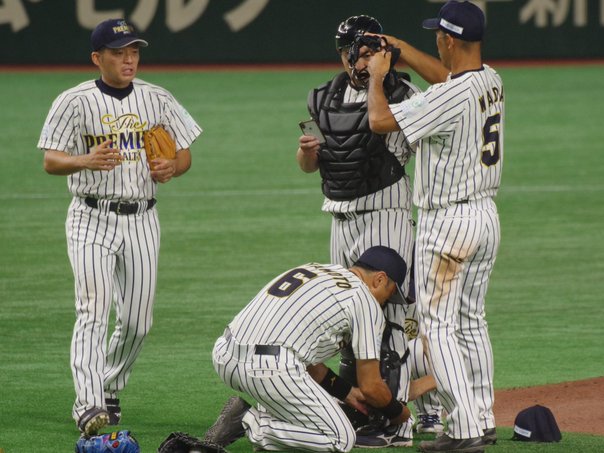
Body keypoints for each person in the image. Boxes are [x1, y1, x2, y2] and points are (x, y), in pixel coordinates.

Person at [38, 19, 202, 436]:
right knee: (92, 311)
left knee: (137, 321)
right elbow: (51, 160)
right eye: (118, 53)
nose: (129, 60)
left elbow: (184, 154)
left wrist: (172, 167)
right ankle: (89, 404)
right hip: (90, 218)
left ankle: (109, 384)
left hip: (143, 218)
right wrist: (84, 160)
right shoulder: (74, 101)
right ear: (98, 58)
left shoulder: (157, 98)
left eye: (133, 52)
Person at [365, 1, 504, 452]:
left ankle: (462, 428)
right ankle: (482, 417)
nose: (436, 44)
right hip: (484, 217)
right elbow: (447, 76)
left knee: (437, 326)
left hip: (447, 225)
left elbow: (380, 121)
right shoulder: (490, 79)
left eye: (437, 37)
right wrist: (402, 49)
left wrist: (376, 76)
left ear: (448, 40)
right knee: (471, 321)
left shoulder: (447, 97)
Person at [296, 15, 420, 447]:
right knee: (349, 323)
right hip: (340, 218)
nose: (364, 62)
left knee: (393, 322)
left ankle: (400, 420)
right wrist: (306, 154)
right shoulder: (323, 97)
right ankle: (360, 413)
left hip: (385, 214)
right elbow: (313, 166)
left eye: (372, 53)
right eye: (357, 53)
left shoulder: (402, 93)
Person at [206, 246, 412, 452]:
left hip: (225, 354)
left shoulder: (315, 270)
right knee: (341, 438)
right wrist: (400, 413)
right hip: (268, 370)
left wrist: (346, 392)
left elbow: (303, 356)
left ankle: (260, 422)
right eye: (389, 294)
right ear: (380, 279)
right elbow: (371, 386)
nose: (384, 303)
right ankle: (248, 421)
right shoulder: (365, 301)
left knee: (299, 412)